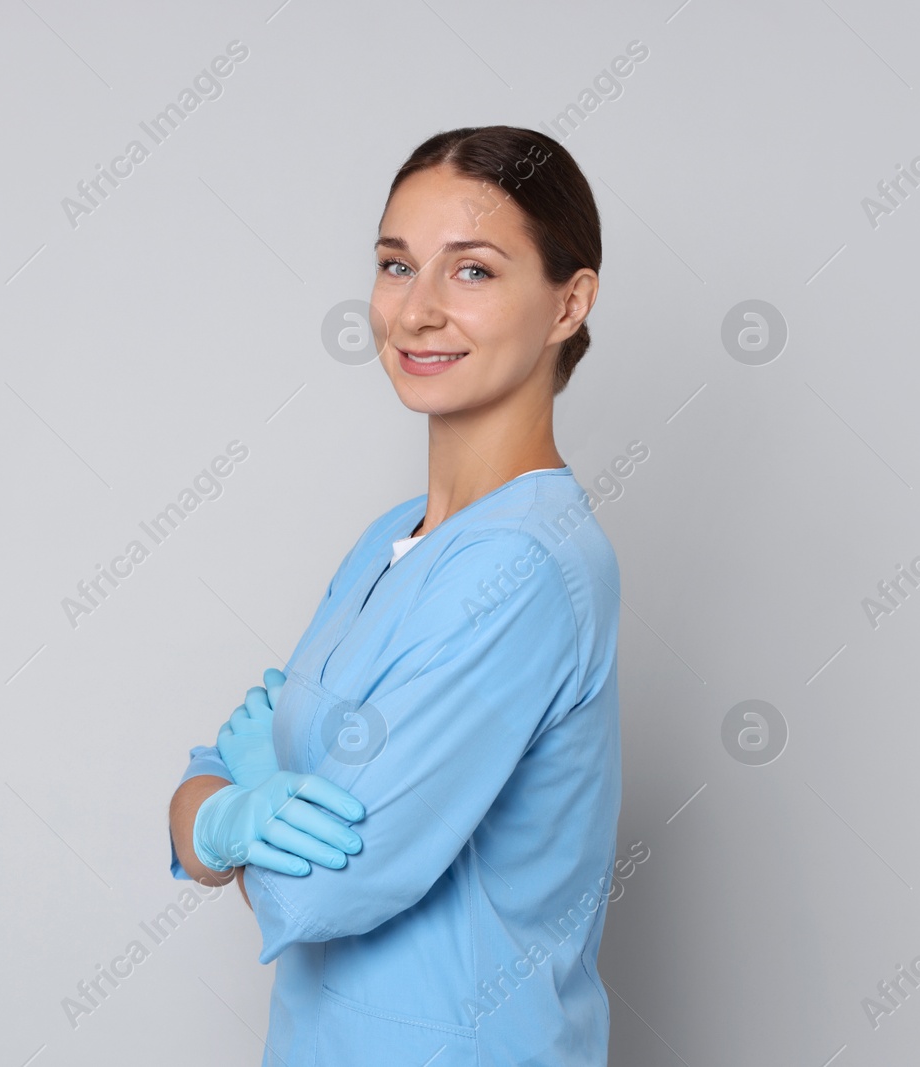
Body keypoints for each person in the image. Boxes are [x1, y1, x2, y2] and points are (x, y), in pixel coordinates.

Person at [167, 125, 620, 1066]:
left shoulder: (524, 568)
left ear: (568, 303)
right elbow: (205, 776)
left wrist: (229, 808)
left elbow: (324, 889)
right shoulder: (392, 540)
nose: (414, 311)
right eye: (394, 263)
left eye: (473, 272)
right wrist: (223, 808)